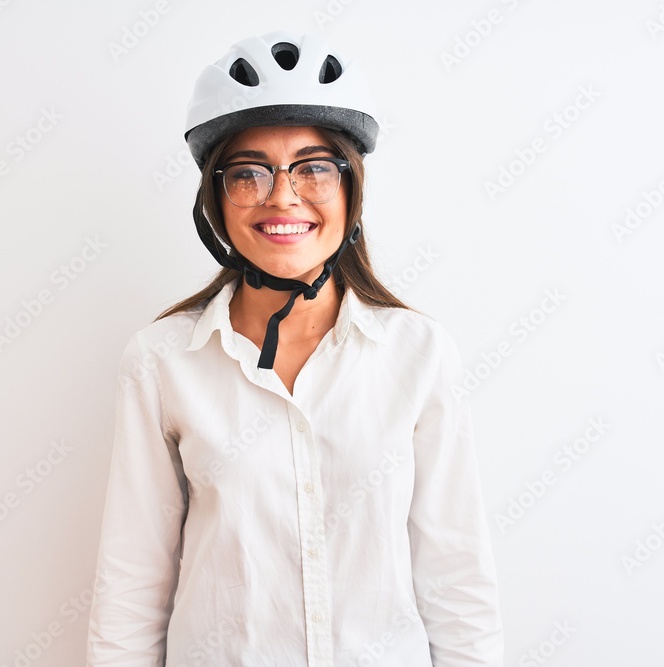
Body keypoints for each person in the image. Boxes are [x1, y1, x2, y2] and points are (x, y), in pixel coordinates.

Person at [87, 31, 504, 666]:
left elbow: (457, 579)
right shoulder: (161, 361)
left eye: (314, 168)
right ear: (215, 200)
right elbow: (132, 587)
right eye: (249, 173)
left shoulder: (418, 354)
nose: (282, 197)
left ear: (351, 190)